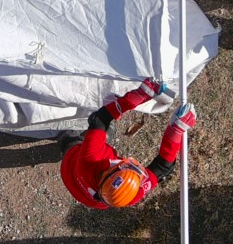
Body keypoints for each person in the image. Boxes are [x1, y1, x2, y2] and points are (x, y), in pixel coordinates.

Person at [59, 79, 196, 210]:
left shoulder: (90, 158)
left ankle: (66, 140)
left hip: (70, 166)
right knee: (103, 134)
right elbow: (162, 167)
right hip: (90, 199)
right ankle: (99, 136)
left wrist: (139, 96)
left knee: (71, 140)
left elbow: (99, 119)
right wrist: (176, 131)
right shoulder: (130, 193)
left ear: (110, 169)